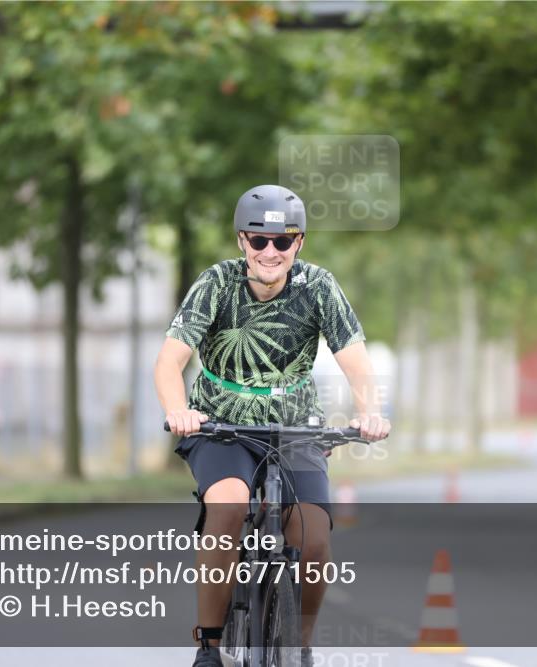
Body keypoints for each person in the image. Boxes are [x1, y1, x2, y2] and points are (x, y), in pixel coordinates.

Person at [154, 184, 391, 667]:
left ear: (298, 242)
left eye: (282, 241)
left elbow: (358, 364)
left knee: (315, 537)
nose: (270, 251)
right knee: (228, 507)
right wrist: (179, 409)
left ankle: (299, 644)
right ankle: (210, 645)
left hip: (296, 426)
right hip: (221, 423)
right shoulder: (216, 284)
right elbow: (168, 363)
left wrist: (370, 411)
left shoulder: (318, 286)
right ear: (241, 240)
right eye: (258, 240)